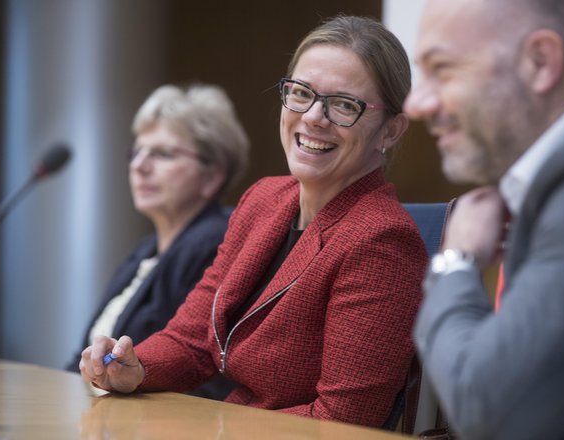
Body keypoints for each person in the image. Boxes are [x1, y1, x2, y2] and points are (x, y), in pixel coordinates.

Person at [79, 15, 427, 428]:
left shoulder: (381, 240)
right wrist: (135, 368)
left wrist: (217, 431)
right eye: (301, 93)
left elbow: (343, 422)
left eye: (344, 104)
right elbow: (192, 341)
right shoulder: (264, 199)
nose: (314, 116)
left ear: (390, 130)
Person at [405, 0, 564, 439]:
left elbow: (487, 406)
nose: (416, 103)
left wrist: (455, 262)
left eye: (442, 68)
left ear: (540, 61)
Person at [67, 84, 249, 400]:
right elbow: (82, 357)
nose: (139, 166)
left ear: (212, 176)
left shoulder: (214, 244)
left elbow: (195, 368)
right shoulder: (145, 251)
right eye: (136, 152)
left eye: (162, 154)